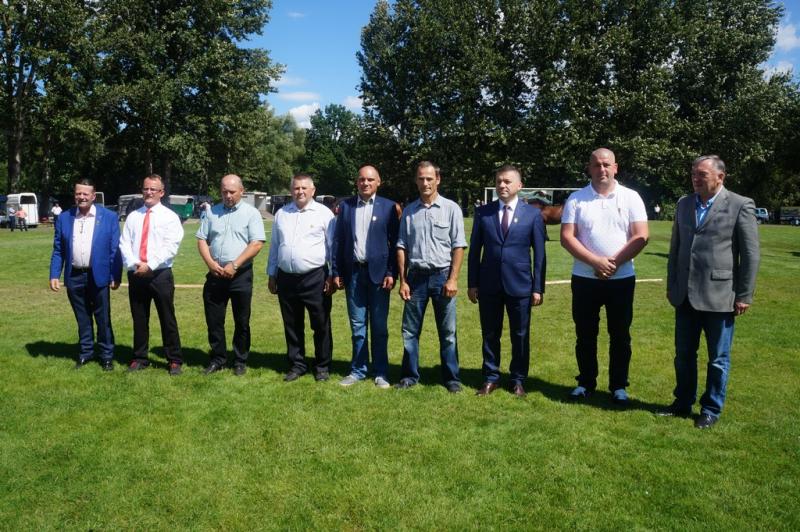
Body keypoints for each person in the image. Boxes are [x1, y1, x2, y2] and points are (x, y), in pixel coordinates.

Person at [662, 155, 760, 429]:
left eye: (702, 174)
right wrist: (672, 285)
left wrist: (744, 294)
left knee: (718, 358)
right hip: (684, 295)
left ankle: (710, 409)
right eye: (693, 174)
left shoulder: (740, 205)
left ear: (720, 177)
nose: (695, 178)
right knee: (683, 355)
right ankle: (682, 402)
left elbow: (750, 254)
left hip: (720, 295)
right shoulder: (684, 204)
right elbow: (676, 248)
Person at [560, 148, 649, 406]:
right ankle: (585, 383)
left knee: (620, 335)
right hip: (584, 278)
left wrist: (613, 263)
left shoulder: (631, 197)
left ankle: (618, 386)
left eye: (606, 164)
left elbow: (641, 235)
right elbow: (567, 237)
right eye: (597, 165)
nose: (602, 169)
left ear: (615, 167)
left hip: (621, 279)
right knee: (585, 334)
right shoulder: (576, 199)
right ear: (589, 168)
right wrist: (595, 262)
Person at [468, 165, 547, 397]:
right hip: (489, 284)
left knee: (520, 335)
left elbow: (540, 255)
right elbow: (475, 251)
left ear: (519, 186)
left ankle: (518, 379)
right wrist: (472, 283)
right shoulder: (483, 213)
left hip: (520, 285)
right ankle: (490, 378)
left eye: (507, 181)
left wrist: (538, 287)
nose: (502, 185)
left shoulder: (532, 214)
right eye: (499, 181)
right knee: (490, 333)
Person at [396, 161, 467, 393]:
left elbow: (458, 246)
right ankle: (409, 376)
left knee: (448, 333)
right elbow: (401, 247)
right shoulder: (409, 211)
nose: (425, 183)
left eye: (429, 178)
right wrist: (403, 281)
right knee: (409, 332)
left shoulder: (451, 209)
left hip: (442, 277)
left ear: (438, 179)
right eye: (421, 178)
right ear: (416, 181)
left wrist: (453, 279)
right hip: (415, 278)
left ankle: (452, 379)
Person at [332, 165, 400, 388]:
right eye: (362, 179)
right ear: (357, 182)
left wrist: (391, 272)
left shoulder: (389, 207)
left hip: (379, 276)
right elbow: (338, 241)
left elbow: (395, 244)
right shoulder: (346, 206)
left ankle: (381, 372)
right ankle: (358, 370)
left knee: (379, 327)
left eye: (370, 179)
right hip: (353, 274)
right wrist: (336, 271)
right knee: (357, 326)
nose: (365, 183)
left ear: (378, 182)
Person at [267, 174, 335, 382]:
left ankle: (322, 366)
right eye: (296, 188)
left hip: (315, 277)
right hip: (286, 278)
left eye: (304, 188)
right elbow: (275, 245)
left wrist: (332, 275)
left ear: (313, 190)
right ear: (291, 191)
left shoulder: (324, 214)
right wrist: (272, 273)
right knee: (292, 324)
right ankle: (297, 364)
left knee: (320, 324)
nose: (300, 192)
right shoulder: (281, 214)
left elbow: (333, 247)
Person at [49, 178, 122, 370]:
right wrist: (54, 274)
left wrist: (115, 275)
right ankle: (86, 352)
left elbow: (115, 249)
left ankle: (106, 356)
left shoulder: (109, 217)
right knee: (82, 317)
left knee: (103, 318)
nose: (81, 197)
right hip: (74, 275)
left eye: (85, 193)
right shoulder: (64, 217)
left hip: (99, 275)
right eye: (78, 193)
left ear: (93, 196)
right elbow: (58, 249)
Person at [197, 174, 265, 376]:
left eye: (232, 192)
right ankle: (218, 358)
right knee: (214, 320)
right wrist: (210, 264)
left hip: (240, 275)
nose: (228, 196)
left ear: (242, 191)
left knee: (241, 321)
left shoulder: (251, 213)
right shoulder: (212, 212)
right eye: (224, 192)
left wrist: (235, 265)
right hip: (215, 274)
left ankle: (240, 360)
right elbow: (201, 239)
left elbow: (256, 243)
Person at [119, 174, 185, 375]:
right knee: (139, 318)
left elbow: (171, 246)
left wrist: (151, 265)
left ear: (161, 192)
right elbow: (124, 243)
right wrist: (134, 263)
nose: (148, 192)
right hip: (136, 273)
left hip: (160, 274)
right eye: (146, 188)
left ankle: (174, 359)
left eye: (153, 189)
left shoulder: (170, 217)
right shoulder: (133, 216)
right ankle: (140, 358)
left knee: (167, 318)